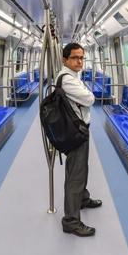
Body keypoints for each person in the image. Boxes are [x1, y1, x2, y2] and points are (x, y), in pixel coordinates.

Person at [57, 42, 102, 237]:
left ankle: (83, 199)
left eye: (82, 57)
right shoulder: (67, 79)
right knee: (76, 173)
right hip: (76, 131)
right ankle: (71, 221)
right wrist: (88, 95)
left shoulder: (75, 76)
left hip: (81, 128)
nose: (79, 61)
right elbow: (90, 99)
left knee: (82, 168)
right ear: (65, 59)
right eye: (75, 58)